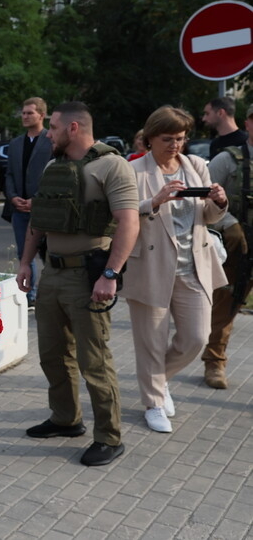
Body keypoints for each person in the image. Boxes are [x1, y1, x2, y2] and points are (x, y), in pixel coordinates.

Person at [16, 101, 139, 467]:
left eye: (52, 127)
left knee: (94, 361)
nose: (48, 134)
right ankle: (65, 419)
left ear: (72, 128)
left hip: (88, 275)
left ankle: (109, 437)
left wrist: (111, 275)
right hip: (51, 274)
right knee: (53, 355)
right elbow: (40, 218)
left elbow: (129, 223)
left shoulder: (112, 165)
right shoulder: (56, 166)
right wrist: (25, 262)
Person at [123, 107, 227, 433]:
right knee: (150, 342)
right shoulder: (134, 169)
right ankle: (153, 402)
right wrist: (153, 202)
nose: (174, 145)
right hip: (151, 266)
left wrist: (220, 202)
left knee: (196, 338)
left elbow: (206, 217)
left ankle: (158, 381)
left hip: (193, 266)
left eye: (180, 138)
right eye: (167, 139)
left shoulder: (195, 165)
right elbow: (120, 216)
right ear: (150, 138)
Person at [204, 106, 253, 389]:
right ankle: (214, 362)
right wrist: (230, 224)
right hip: (238, 247)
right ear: (247, 123)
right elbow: (203, 197)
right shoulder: (228, 159)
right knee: (227, 304)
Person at [5, 98, 53, 306]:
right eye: (23, 113)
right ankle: (30, 296)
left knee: (48, 252)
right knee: (24, 252)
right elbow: (9, 174)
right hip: (19, 208)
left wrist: (37, 200)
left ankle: (50, 290)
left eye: (29, 113)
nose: (24, 116)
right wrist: (12, 196)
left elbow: (54, 175)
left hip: (42, 207)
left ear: (41, 115)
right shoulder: (15, 143)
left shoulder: (50, 140)